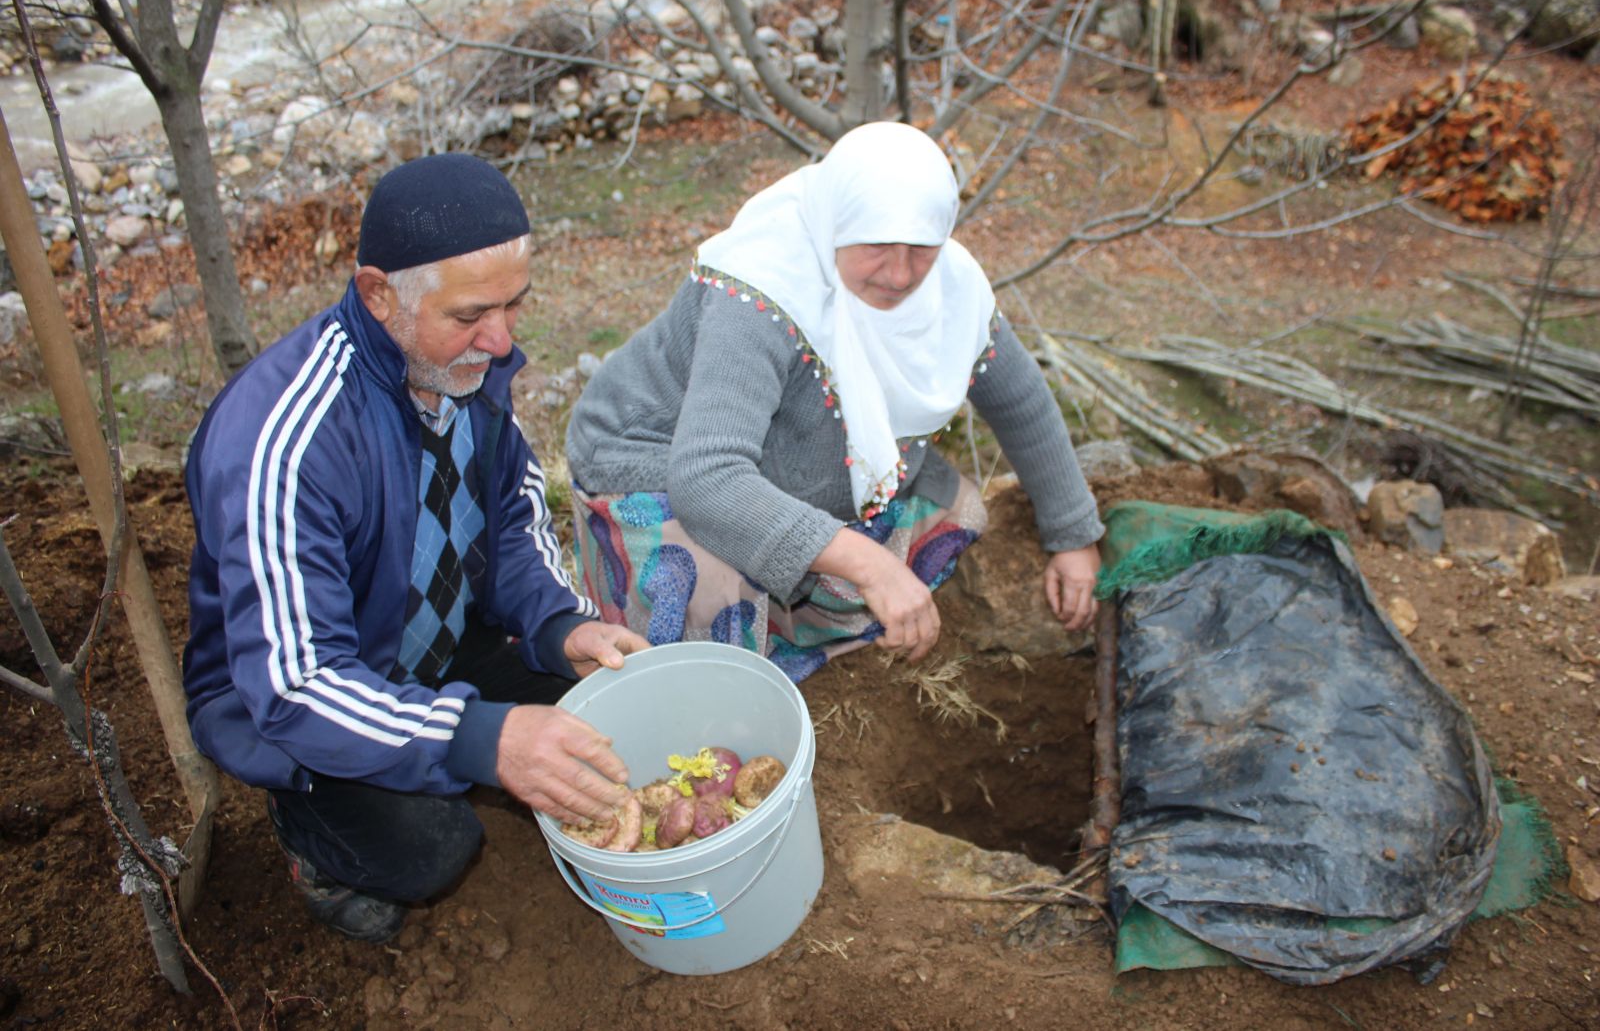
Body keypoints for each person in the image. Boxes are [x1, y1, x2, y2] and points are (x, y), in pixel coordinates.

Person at [182, 153, 649, 944]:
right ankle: (312, 840)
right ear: (378, 294)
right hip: (305, 699)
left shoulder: (461, 369)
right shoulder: (289, 440)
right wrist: (481, 738)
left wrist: (556, 626)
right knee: (432, 845)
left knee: (602, 714)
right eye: (471, 315)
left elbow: (511, 518)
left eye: (513, 306)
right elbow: (298, 685)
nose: (501, 342)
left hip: (430, 640)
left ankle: (458, 724)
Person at [565, 122, 1102, 682]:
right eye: (875, 246)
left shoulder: (953, 288)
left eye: (921, 249)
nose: (899, 274)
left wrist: (1074, 536)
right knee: (704, 593)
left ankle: (793, 608)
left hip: (803, 470)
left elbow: (1022, 404)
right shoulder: (762, 289)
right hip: (660, 460)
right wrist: (869, 566)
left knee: (960, 512)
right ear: (834, 225)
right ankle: (741, 646)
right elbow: (707, 478)